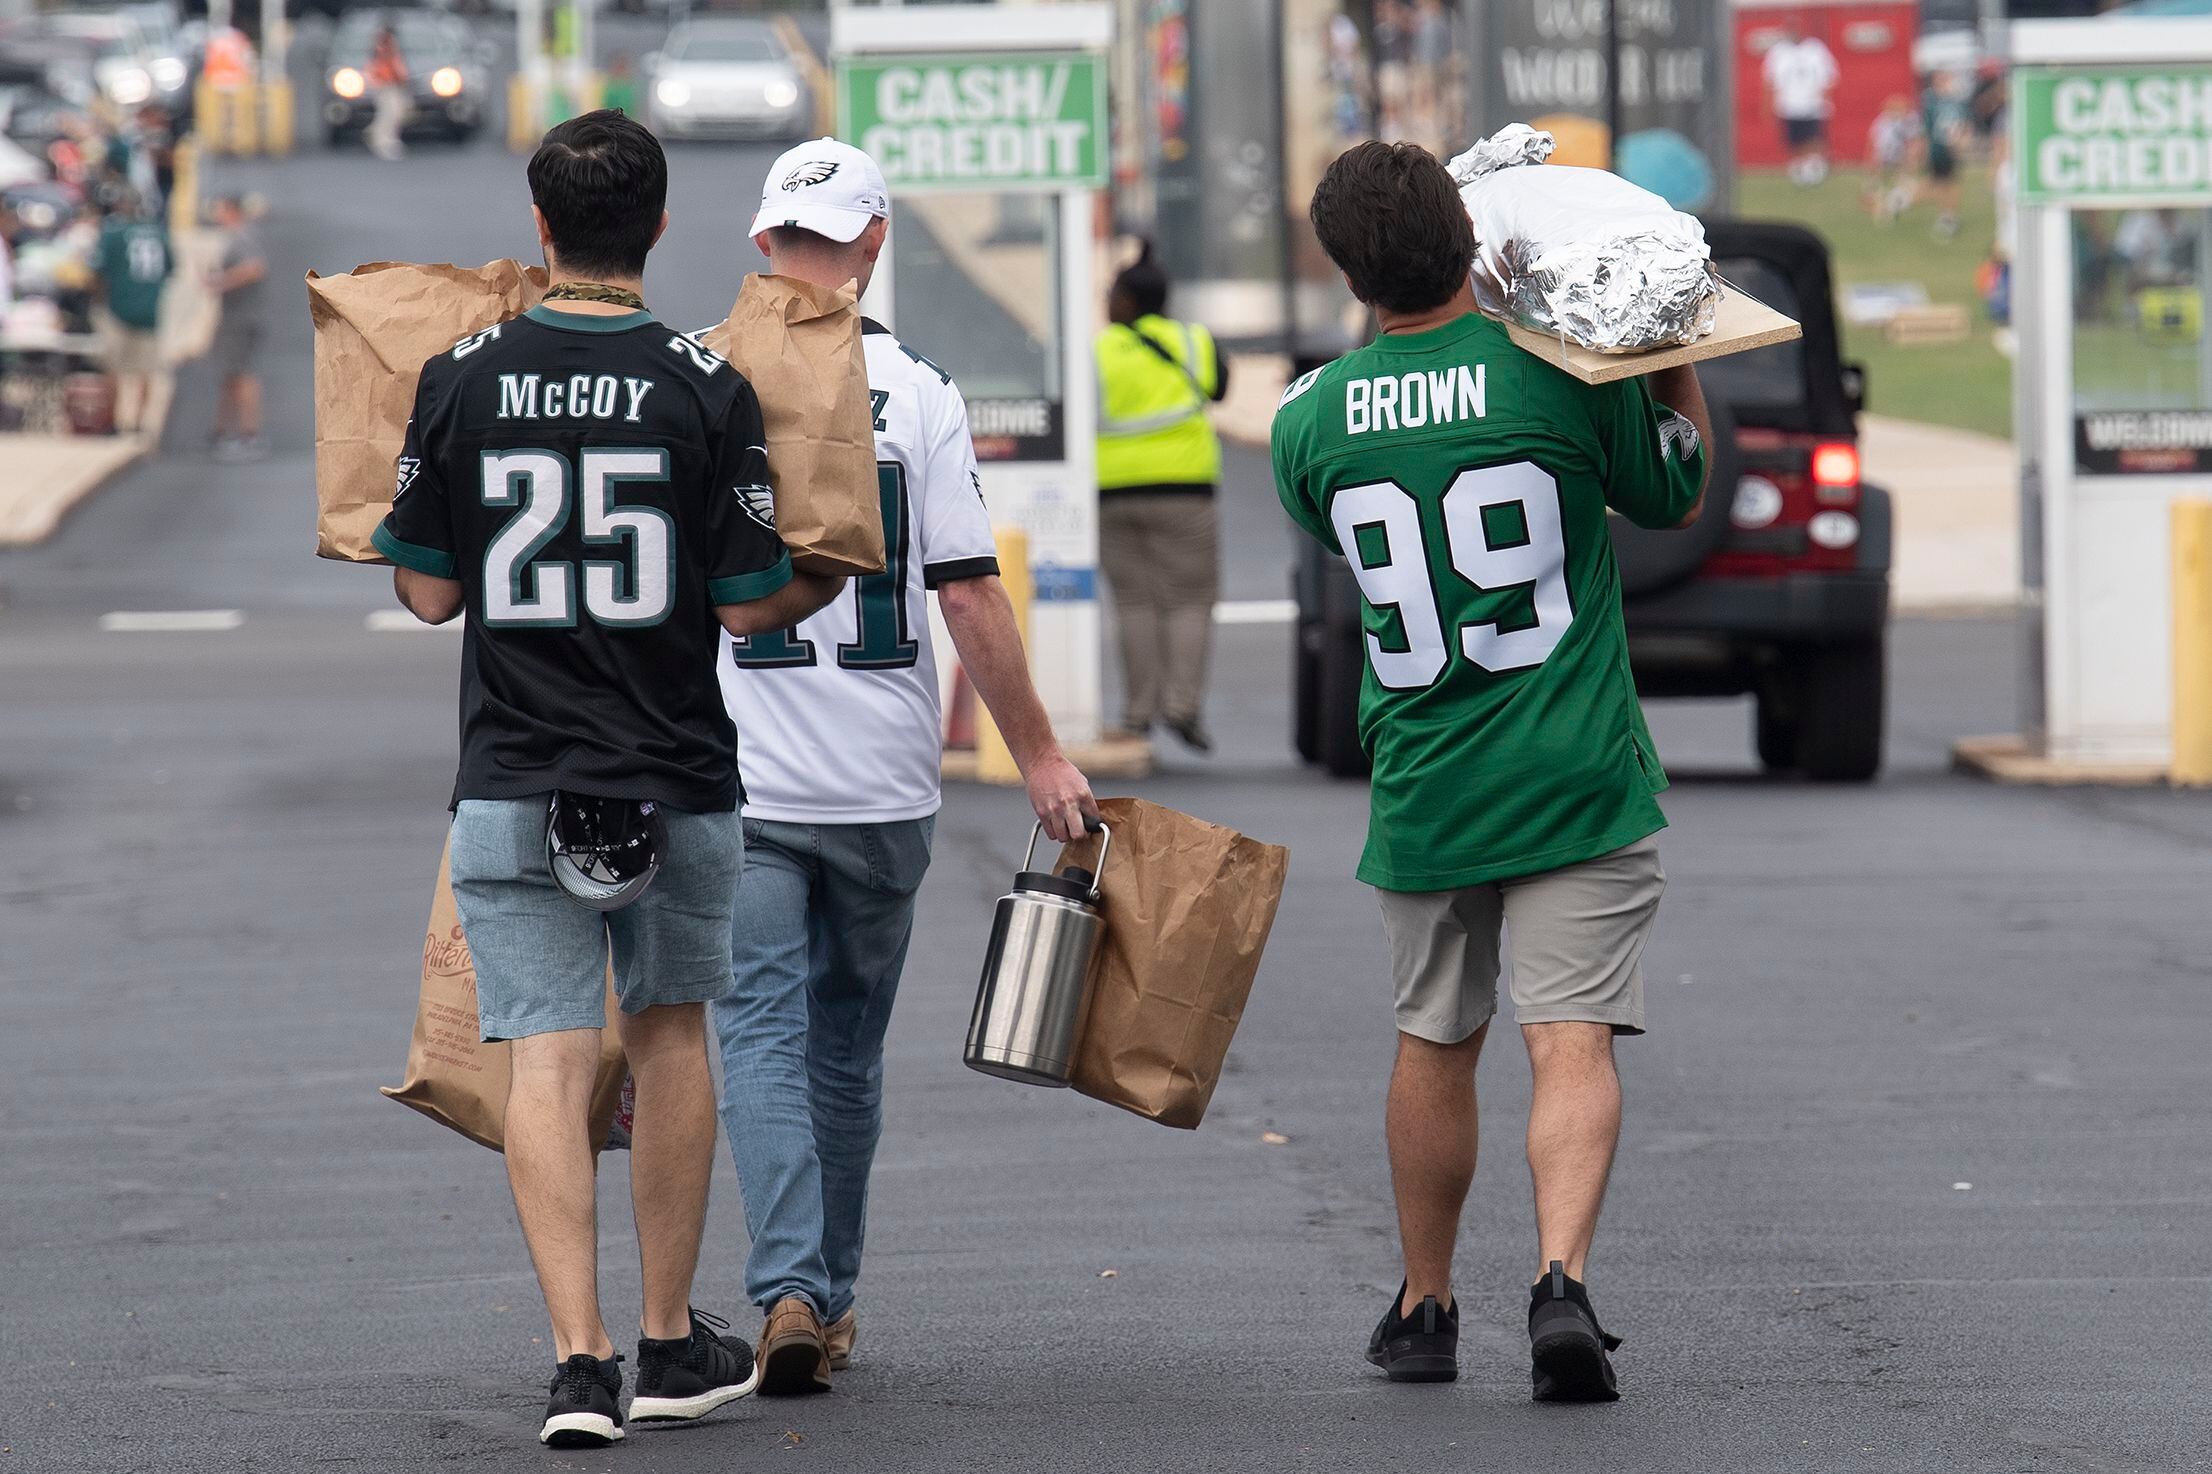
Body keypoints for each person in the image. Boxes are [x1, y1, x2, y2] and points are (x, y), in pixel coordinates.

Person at [372, 110, 846, 1449]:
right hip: (673, 767)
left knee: (543, 1049)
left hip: (514, 766)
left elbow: (423, 589)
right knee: (676, 1028)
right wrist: (824, 567)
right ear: (656, 224)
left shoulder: (460, 373)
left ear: (539, 229)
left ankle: (576, 1361)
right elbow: (754, 605)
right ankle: (666, 1340)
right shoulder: (705, 380)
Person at [1273, 141, 1709, 1400]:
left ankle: (1423, 1301)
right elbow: (1674, 489)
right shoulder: (1555, 373)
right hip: (1572, 763)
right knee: (1569, 1039)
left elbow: (1337, 509)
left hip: (1425, 772)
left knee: (1433, 1035)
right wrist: (1664, 351)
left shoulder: (1308, 420)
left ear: (1349, 270)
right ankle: (1560, 1282)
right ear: (1470, 237)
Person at [711, 137, 1100, 1395]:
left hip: (746, 780)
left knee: (758, 1034)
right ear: (874, 245)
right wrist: (1037, 754)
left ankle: (784, 1287)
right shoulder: (921, 393)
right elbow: (969, 594)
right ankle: (828, 1295)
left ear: (765, 246)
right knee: (843, 1047)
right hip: (884, 787)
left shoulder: (709, 381)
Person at [1093, 239, 1228, 752]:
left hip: (1114, 491)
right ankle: (1182, 706)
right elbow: (1220, 390)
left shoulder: (1099, 350)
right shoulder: (1196, 342)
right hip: (1185, 490)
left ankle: (1136, 713)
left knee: (1134, 602)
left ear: (1126, 302)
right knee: (1189, 600)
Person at [93, 191, 171, 435]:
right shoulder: (158, 233)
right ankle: (139, 422)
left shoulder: (113, 233)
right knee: (145, 371)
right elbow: (170, 268)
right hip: (150, 310)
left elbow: (98, 270)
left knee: (112, 369)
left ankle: (112, 422)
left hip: (118, 309)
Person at [206, 195, 267, 461]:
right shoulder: (241, 236)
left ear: (231, 210)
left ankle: (248, 434)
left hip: (242, 318)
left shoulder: (241, 237)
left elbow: (255, 268)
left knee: (242, 374)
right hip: (240, 316)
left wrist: (222, 282)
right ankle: (223, 432)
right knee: (232, 374)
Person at [1763, 18, 1838, 186]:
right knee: (1794, 141)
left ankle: (1816, 170)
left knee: (1813, 139)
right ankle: (1799, 172)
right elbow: (1770, 81)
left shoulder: (1816, 49)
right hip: (1789, 105)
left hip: (1812, 103)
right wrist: (1768, 105)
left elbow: (1829, 75)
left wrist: (1825, 98)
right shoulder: (1778, 52)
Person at [1922, 70, 1974, 241]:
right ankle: (1945, 215)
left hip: (1951, 148)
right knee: (1939, 184)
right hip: (1937, 148)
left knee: (1950, 183)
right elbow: (1927, 128)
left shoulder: (1956, 101)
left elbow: (1966, 124)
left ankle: (1949, 216)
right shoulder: (1931, 102)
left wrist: (1963, 142)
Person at [1866, 95, 1920, 222]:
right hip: (1885, 156)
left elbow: (1914, 141)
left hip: (1900, 157)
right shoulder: (1881, 122)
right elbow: (1875, 144)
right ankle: (1879, 210)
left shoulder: (1909, 120)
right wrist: (1874, 161)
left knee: (1901, 181)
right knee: (1877, 185)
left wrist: (1911, 159)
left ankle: (1896, 202)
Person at [365, 24, 411, 163]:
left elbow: (397, 67)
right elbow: (375, 67)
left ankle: (382, 137)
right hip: (384, 85)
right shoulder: (382, 47)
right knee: (388, 114)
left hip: (393, 84)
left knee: (396, 113)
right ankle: (382, 141)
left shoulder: (390, 49)